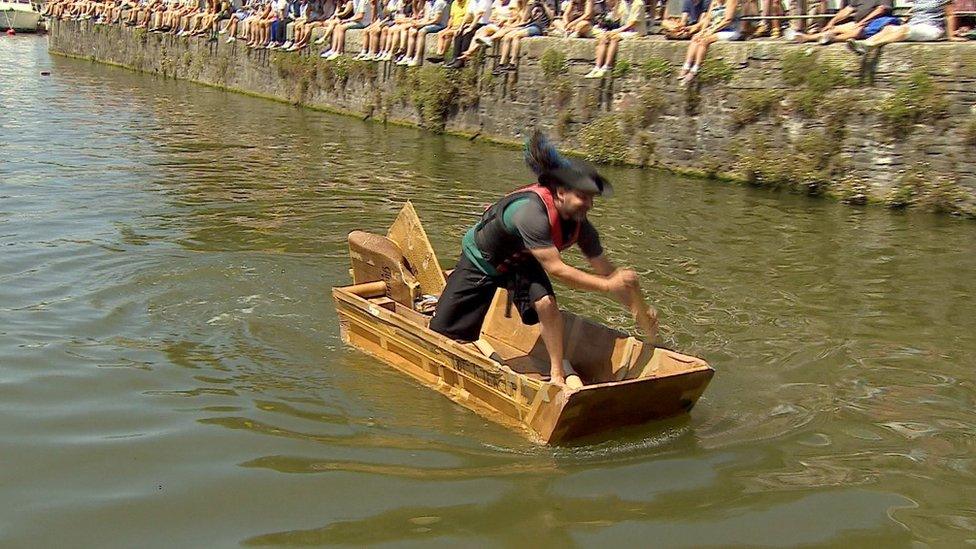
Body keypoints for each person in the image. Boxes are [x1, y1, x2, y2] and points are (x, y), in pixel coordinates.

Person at [429, 132, 652, 387]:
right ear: (560, 193)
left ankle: (556, 375)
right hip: (484, 260)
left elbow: (607, 272)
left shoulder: (582, 226)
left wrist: (635, 306)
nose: (589, 204)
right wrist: (610, 285)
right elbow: (558, 270)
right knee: (442, 336)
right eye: (583, 196)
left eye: (592, 198)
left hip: (523, 259)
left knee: (546, 303)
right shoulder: (531, 213)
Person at [847, 0, 964, 53]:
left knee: (904, 30)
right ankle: (863, 44)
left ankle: (870, 45)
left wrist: (951, 35)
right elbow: (915, 11)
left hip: (932, 28)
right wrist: (906, 18)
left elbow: (950, 15)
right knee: (888, 28)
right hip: (914, 26)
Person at [677, 0, 744, 86]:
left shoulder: (731, 1)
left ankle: (695, 68)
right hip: (715, 29)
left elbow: (727, 20)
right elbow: (708, 18)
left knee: (705, 40)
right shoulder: (714, 2)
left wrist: (711, 31)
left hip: (730, 31)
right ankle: (686, 66)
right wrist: (702, 31)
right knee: (696, 38)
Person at [584, 0, 646, 78]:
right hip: (623, 30)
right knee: (603, 38)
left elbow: (633, 23)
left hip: (636, 32)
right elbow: (616, 18)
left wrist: (616, 31)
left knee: (614, 38)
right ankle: (597, 67)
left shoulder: (639, 3)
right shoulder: (623, 3)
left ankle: (607, 66)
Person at [790, 0, 897, 44]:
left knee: (858, 31)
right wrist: (832, 22)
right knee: (834, 28)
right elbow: (848, 10)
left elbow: (881, 9)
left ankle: (832, 39)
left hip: (878, 22)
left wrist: (862, 22)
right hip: (858, 22)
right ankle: (806, 38)